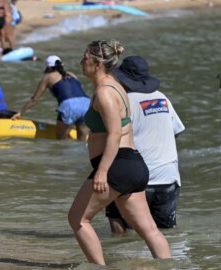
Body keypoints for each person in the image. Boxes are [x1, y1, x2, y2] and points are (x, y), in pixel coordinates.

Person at [68, 40, 171, 265]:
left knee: (78, 219)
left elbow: (115, 134)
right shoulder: (117, 87)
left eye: (85, 58)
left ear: (96, 63)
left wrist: (102, 171)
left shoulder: (105, 92)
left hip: (117, 166)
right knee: (150, 230)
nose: (80, 62)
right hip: (131, 166)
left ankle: (99, 268)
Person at [105, 55, 185, 233]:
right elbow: (177, 131)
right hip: (169, 178)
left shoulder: (123, 101)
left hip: (139, 178)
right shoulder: (162, 98)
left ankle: (121, 256)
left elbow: (114, 137)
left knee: (117, 218)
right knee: (165, 233)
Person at [12, 55, 90, 141]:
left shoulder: (48, 77)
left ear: (49, 68)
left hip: (69, 106)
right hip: (86, 104)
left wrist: (21, 113)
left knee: (61, 143)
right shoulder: (72, 74)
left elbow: (34, 99)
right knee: (82, 142)